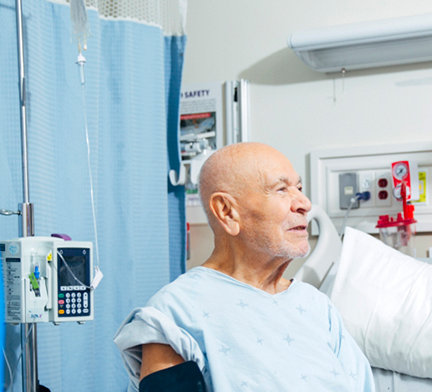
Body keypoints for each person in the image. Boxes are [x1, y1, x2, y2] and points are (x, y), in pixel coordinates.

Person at [112, 142, 376, 391]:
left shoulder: (317, 307)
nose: (304, 203)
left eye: (299, 188)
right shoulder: (174, 315)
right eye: (281, 189)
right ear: (227, 211)